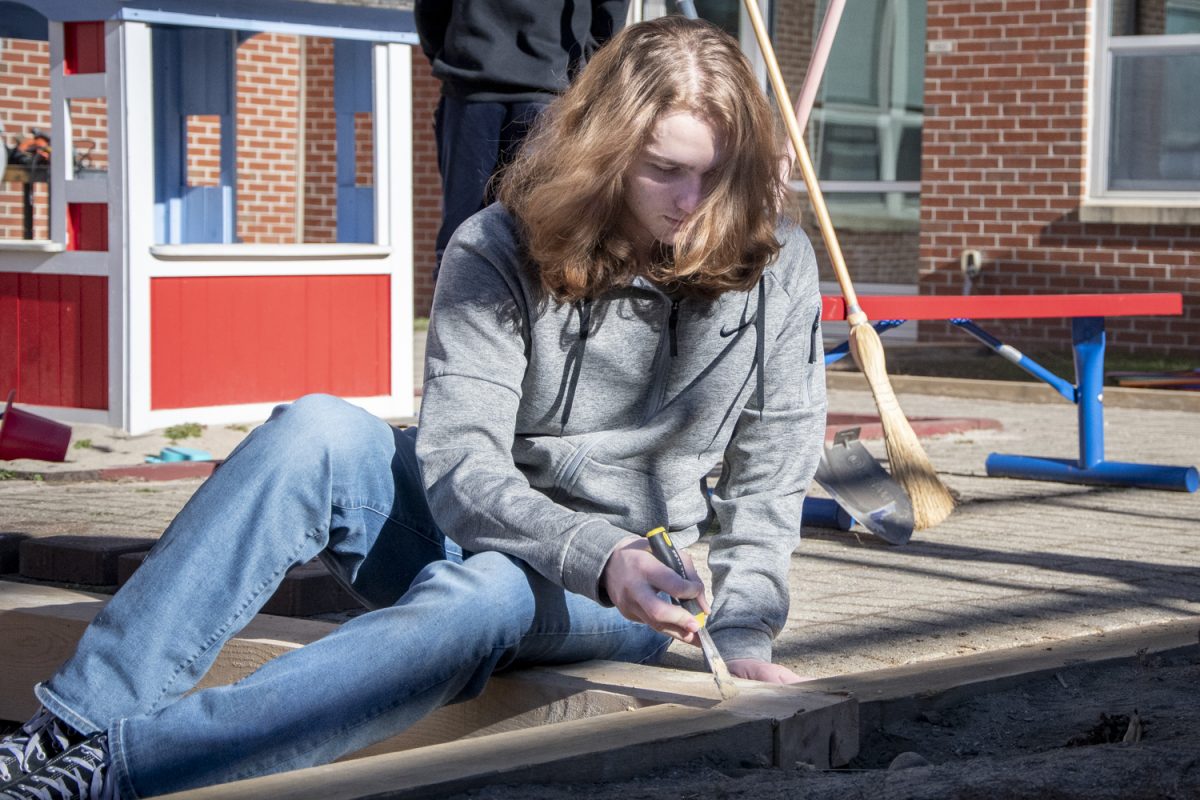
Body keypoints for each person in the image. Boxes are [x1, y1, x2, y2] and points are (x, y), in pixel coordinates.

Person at [0, 16, 826, 800]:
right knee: (315, 430)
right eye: (664, 169)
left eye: (714, 173)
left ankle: (123, 769)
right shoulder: (502, 246)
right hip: (478, 524)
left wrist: (745, 628)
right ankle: (68, 726)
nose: (691, 200)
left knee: (490, 593)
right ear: (608, 153)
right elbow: (462, 466)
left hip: (636, 586)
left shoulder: (777, 265)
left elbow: (774, 463)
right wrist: (589, 545)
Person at [415, 0, 630, 280]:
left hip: (474, 81)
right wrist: (586, 69)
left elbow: (430, 12)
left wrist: (454, 54)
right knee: (543, 235)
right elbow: (609, 12)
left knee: (463, 236)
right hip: (549, 81)